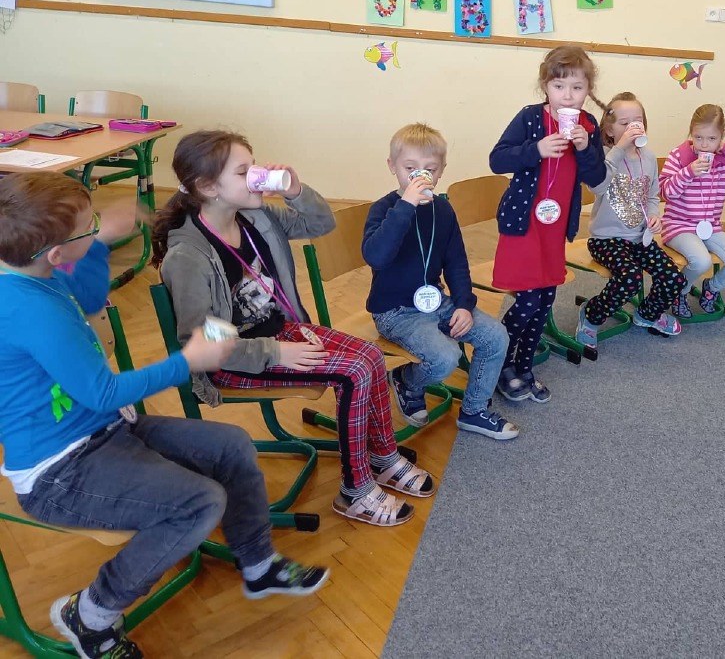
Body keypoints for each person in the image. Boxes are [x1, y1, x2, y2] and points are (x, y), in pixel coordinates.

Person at [0, 173, 329, 659]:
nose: (98, 224)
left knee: (231, 445)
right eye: (89, 224)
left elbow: (86, 298)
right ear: (55, 252)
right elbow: (103, 391)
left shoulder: (36, 275)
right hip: (57, 473)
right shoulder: (28, 309)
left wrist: (98, 243)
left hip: (106, 431)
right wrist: (188, 361)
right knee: (199, 503)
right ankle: (90, 613)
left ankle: (258, 564)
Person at [152, 130, 429, 528]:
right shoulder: (188, 256)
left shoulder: (256, 218)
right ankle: (355, 490)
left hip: (282, 332)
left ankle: (383, 457)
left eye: (254, 166)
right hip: (235, 360)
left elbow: (320, 222)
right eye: (244, 172)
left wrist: (296, 191)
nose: (256, 177)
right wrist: (276, 352)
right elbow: (201, 340)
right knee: (352, 372)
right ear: (208, 187)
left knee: (370, 355)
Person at [364, 123, 517, 440]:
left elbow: (456, 262)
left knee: (496, 337)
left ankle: (473, 411)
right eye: (410, 168)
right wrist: (406, 206)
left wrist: (463, 304)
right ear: (392, 166)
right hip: (395, 311)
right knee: (445, 358)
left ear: (441, 171)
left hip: (436, 301)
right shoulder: (385, 209)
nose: (419, 176)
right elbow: (377, 256)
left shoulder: (443, 210)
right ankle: (407, 380)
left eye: (429, 170)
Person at [490, 46, 606, 401]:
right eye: (559, 86)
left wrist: (585, 148)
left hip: (555, 228)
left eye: (577, 87)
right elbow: (497, 159)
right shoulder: (530, 118)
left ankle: (524, 368)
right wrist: (536, 150)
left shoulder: (588, 125)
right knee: (527, 301)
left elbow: (596, 177)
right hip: (524, 224)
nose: (567, 95)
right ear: (545, 86)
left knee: (545, 301)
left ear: (588, 90)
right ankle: (498, 363)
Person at [576, 92, 688, 345]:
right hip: (606, 240)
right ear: (609, 129)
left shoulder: (648, 158)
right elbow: (597, 187)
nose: (632, 127)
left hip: (639, 238)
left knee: (674, 278)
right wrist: (618, 150)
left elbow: (652, 195)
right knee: (630, 278)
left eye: (637, 121)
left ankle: (647, 314)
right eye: (624, 123)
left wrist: (654, 216)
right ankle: (591, 316)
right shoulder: (604, 156)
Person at [658, 104, 725, 317]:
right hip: (678, 226)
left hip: (710, 227)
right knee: (701, 261)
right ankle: (679, 292)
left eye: (712, 139)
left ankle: (711, 288)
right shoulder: (679, 156)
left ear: (722, 136)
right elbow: (666, 192)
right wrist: (688, 172)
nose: (704, 145)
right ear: (691, 133)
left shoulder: (723, 161)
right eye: (698, 137)